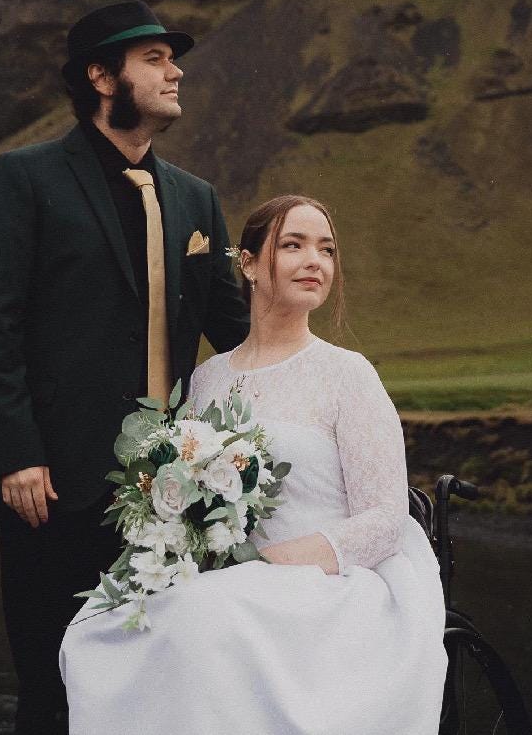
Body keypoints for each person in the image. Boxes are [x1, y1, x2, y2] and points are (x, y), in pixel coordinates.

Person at [0, 0, 250, 735]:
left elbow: (238, 331)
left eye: (171, 57)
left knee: (155, 691)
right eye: (153, 58)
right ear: (100, 74)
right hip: (54, 485)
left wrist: (321, 370)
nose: (174, 69)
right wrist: (18, 453)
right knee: (52, 685)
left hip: (172, 496)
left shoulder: (196, 198)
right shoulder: (25, 178)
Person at [60, 194, 448, 735]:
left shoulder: (347, 374)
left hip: (326, 580)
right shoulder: (209, 378)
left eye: (327, 249)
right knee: (97, 623)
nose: (316, 261)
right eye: (294, 245)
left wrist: (278, 563)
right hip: (226, 576)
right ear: (247, 265)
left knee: (205, 616)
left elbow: (384, 518)